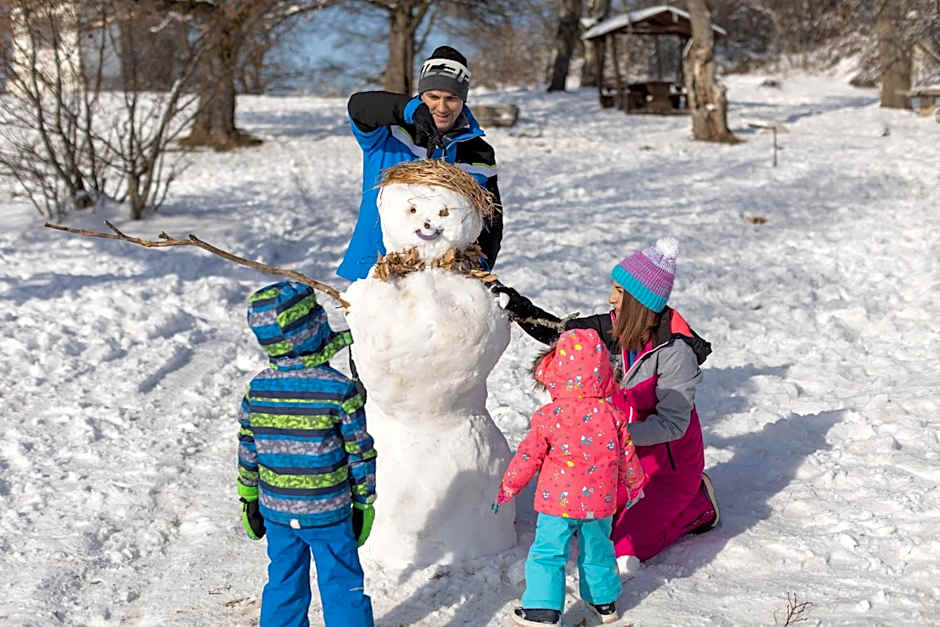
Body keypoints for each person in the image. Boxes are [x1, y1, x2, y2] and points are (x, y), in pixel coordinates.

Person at [492, 237, 719, 565]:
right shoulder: (617, 326)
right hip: (625, 459)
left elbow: (673, 424)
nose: (611, 298)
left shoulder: (674, 353)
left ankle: (699, 505)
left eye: (620, 292)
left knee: (623, 549)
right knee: (589, 524)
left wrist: (613, 436)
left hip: (668, 467)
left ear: (641, 301)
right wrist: (518, 307)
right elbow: (564, 333)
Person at [236, 281, 377, 627]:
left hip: (278, 511)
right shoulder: (339, 390)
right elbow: (360, 452)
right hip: (328, 511)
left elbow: (248, 446)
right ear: (315, 329)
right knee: (342, 583)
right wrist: (364, 502)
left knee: (284, 581)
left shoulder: (258, 389)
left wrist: (248, 495)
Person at [494, 328, 648, 626]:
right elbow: (628, 455)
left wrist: (509, 485)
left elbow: (529, 455)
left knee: (548, 552)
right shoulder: (611, 415)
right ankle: (603, 604)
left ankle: (543, 611)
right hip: (599, 504)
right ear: (603, 373)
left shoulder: (550, 416)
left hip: (557, 504)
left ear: (558, 372)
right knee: (598, 551)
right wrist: (635, 484)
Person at [339, 45, 503, 281]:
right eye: (433, 97)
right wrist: (410, 111)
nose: (442, 107)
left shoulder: (479, 152)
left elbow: (491, 221)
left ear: (463, 100)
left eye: (452, 98)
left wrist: (479, 270)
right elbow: (358, 106)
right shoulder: (389, 133)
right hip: (375, 274)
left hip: (441, 283)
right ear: (421, 95)